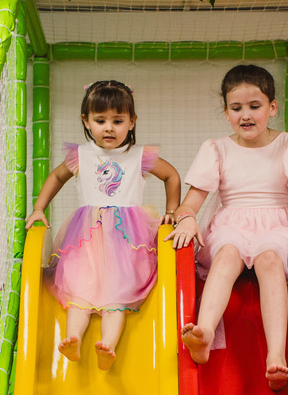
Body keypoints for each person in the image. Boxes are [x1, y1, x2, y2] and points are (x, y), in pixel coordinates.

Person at [168, 64, 288, 391]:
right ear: (226, 111)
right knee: (227, 254)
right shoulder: (216, 148)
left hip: (275, 225)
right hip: (232, 222)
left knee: (269, 260)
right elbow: (191, 203)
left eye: (255, 106)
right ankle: (203, 334)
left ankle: (276, 357)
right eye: (236, 108)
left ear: (272, 107)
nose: (245, 115)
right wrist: (186, 216)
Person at [26, 80, 182, 370]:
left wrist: (172, 211)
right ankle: (73, 338)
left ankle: (108, 345)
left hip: (126, 241)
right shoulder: (81, 155)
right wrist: (38, 208)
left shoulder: (139, 156)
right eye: (100, 120)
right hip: (86, 238)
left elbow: (171, 176)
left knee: (117, 295)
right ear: (86, 121)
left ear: (132, 122)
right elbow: (56, 177)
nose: (109, 128)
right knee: (79, 291)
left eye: (118, 120)